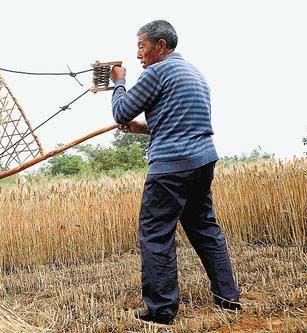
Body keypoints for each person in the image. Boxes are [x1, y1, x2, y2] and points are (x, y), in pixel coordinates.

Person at [111, 20, 240, 325]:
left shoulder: (157, 72)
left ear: (161, 46)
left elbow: (120, 111)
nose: (138, 54)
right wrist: (144, 129)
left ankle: (160, 311)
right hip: (202, 161)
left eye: (142, 46)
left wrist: (119, 81)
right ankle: (228, 298)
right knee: (205, 228)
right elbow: (179, 122)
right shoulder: (193, 73)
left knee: (155, 235)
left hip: (171, 166)